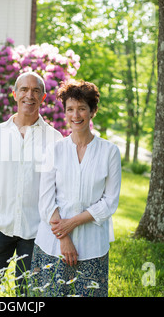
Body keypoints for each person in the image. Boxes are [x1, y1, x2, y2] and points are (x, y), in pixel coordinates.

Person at [0, 71, 63, 296]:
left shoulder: (55, 139)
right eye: (24, 89)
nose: (29, 95)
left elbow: (59, 190)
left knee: (29, 295)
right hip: (0, 227)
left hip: (36, 232)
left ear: (43, 97)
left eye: (36, 90)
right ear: (15, 94)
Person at [30, 79, 122, 297]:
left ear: (93, 111)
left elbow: (110, 201)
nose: (76, 115)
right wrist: (64, 238)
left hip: (92, 246)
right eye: (70, 109)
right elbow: (45, 200)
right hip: (52, 245)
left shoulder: (110, 152)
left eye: (82, 108)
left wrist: (71, 223)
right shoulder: (54, 150)